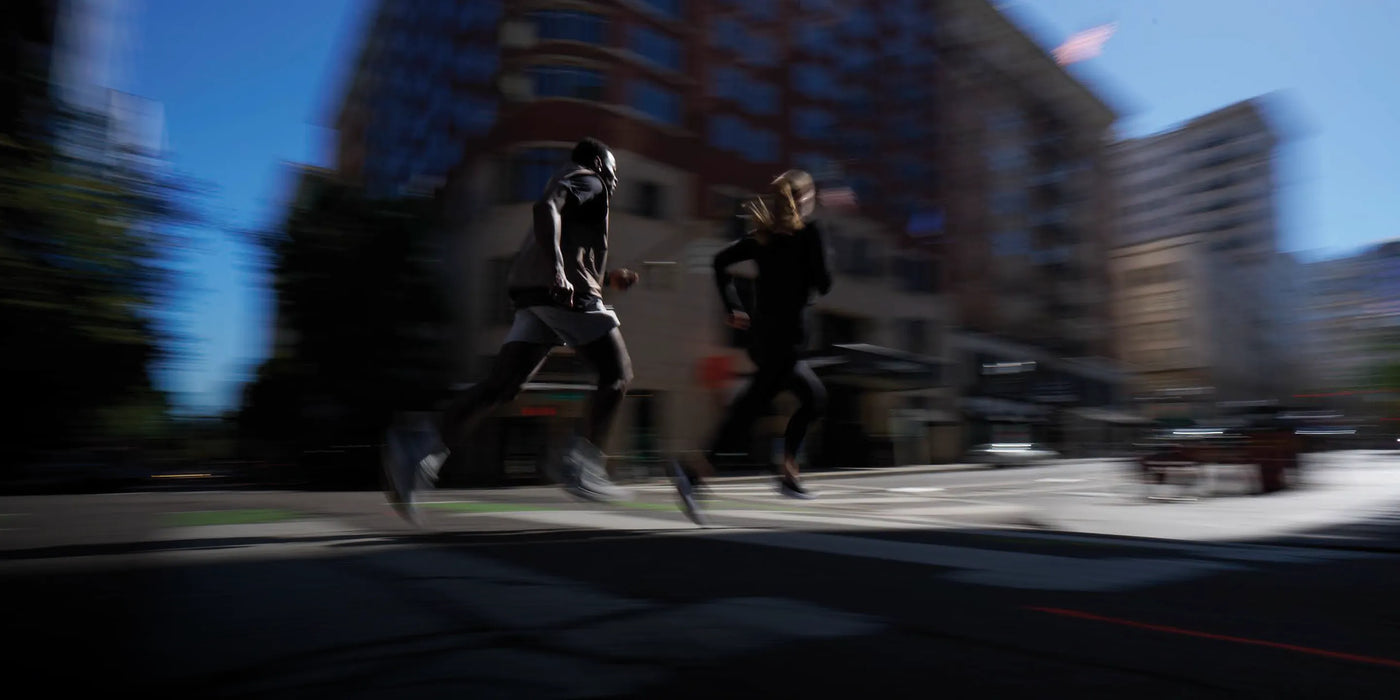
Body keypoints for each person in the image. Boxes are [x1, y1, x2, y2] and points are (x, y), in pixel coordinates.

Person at [383, 137, 641, 525]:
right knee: (617, 374)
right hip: (560, 292)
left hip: (533, 294)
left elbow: (568, 242)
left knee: (502, 386)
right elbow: (546, 207)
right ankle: (582, 464)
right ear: (600, 164)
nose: (616, 180)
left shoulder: (578, 185)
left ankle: (419, 446)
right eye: (615, 171)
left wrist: (607, 279)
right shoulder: (590, 180)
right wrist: (557, 267)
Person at [673, 170, 833, 523]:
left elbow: (719, 263)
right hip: (784, 341)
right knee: (757, 409)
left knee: (801, 399)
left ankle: (783, 474)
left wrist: (733, 306)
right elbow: (824, 284)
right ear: (804, 199)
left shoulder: (762, 238)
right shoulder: (809, 234)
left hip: (765, 341)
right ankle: (695, 472)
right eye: (810, 197)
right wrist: (816, 251)